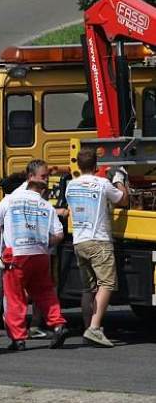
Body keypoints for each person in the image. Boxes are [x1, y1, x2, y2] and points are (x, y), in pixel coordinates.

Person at [0, 177, 68, 351]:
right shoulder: (47, 206)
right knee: (45, 292)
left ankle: (18, 338)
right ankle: (58, 325)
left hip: (17, 255)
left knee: (15, 296)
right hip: (40, 254)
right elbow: (59, 235)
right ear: (42, 191)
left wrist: (7, 232)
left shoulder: (9, 199)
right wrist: (44, 243)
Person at [65, 148, 129, 347]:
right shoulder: (102, 184)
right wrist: (119, 179)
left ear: (79, 165)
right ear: (96, 166)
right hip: (99, 241)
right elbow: (124, 200)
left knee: (89, 288)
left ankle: (88, 328)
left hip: (79, 241)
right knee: (107, 284)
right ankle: (94, 327)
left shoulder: (70, 186)